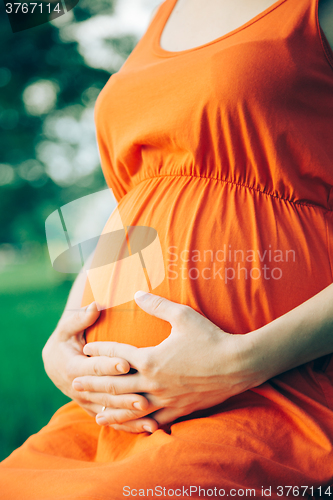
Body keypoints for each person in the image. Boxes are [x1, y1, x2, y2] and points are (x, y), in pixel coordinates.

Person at [1, 0, 333, 498]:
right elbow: (137, 206)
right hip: (118, 415)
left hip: (276, 393)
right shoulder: (166, 13)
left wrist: (239, 361)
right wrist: (62, 340)